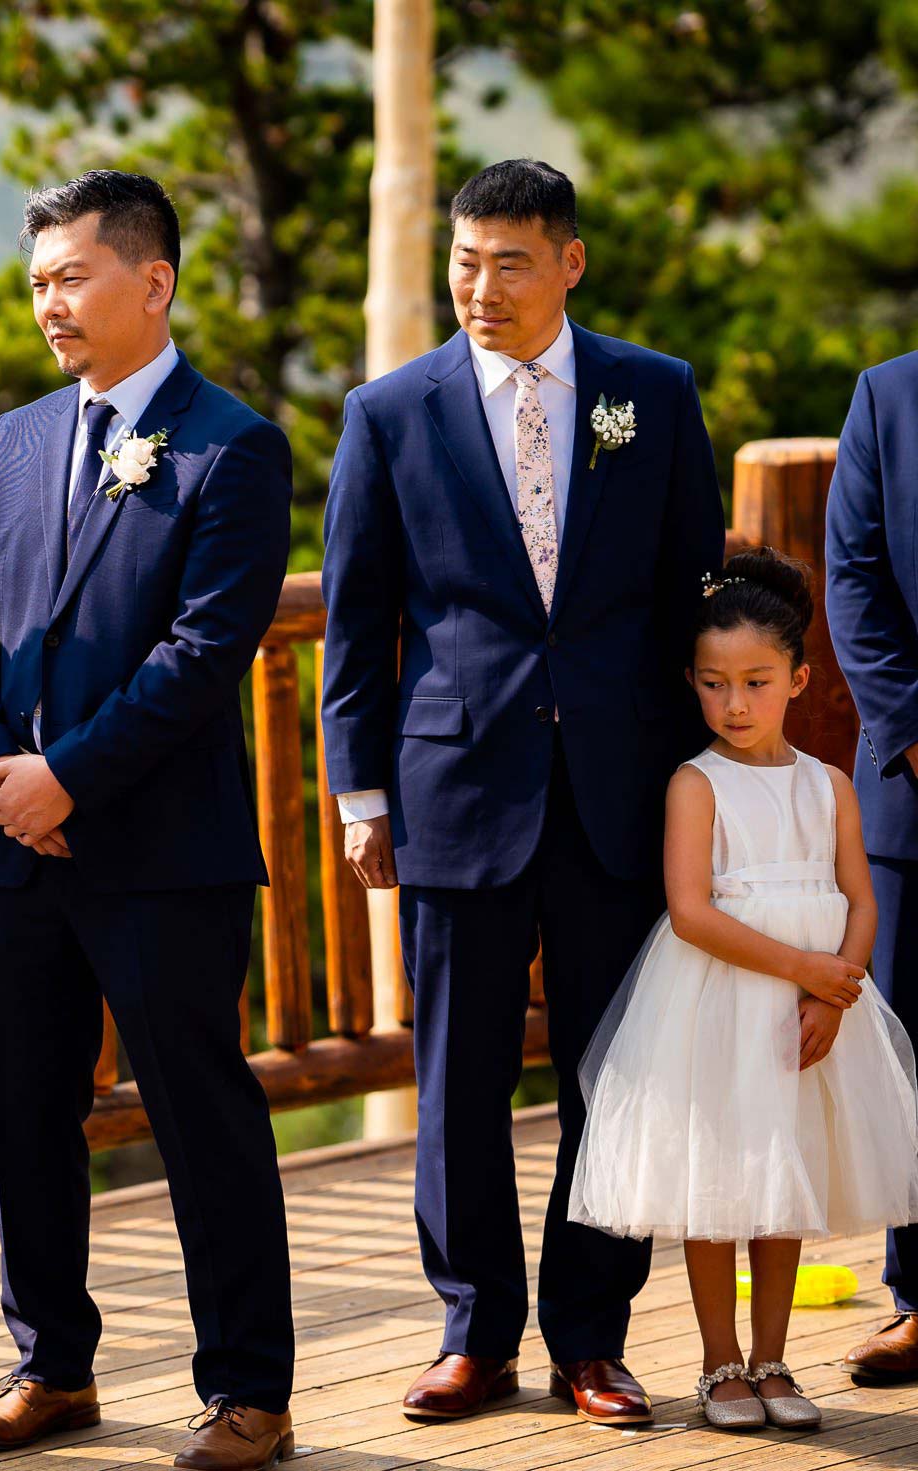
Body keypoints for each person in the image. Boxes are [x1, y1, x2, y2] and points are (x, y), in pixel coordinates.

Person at [321, 158, 726, 1425]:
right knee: (458, 1078)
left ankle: (590, 1338)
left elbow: (688, 595)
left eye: (506, 260)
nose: (478, 286)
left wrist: (704, 781)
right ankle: (473, 1332)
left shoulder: (650, 396)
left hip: (621, 789)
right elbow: (356, 621)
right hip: (454, 787)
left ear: (568, 263)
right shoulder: (388, 413)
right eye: (462, 259)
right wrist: (359, 795)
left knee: (618, 1073)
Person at [0, 169, 295, 1469]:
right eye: (37, 281)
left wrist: (67, 776)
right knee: (26, 1111)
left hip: (161, 847)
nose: (49, 305)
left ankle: (251, 1383)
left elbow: (203, 654)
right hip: (14, 844)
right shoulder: (15, 439)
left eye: (72, 277)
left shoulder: (232, 446)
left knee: (199, 1107)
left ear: (154, 280)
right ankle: (51, 1366)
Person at [568, 548, 918, 1429]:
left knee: (781, 1177)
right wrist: (807, 971)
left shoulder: (830, 785)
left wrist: (832, 996)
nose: (734, 703)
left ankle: (773, 1360)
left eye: (756, 681)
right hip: (718, 1008)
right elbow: (691, 913)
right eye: (715, 683)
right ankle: (718, 1364)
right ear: (691, 680)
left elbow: (861, 901)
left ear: (799, 678)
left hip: (810, 1015)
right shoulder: (696, 784)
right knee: (719, 1183)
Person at [826, 350, 918, 1382]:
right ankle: (916, 1297)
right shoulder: (885, 395)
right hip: (911, 786)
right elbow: (851, 579)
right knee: (911, 1059)